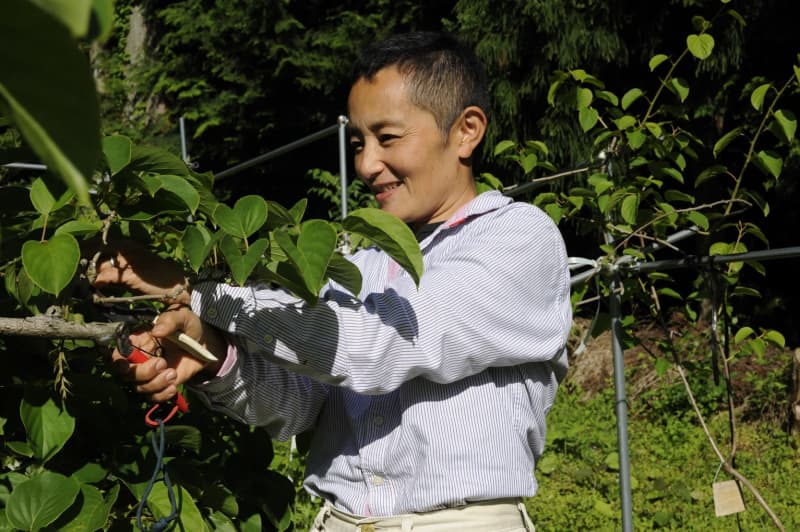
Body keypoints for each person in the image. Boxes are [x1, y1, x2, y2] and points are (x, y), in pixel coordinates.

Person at [94, 31, 572, 531]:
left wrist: (196, 291)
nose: (366, 164)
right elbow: (301, 403)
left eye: (388, 138)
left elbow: (385, 343)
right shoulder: (361, 264)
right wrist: (212, 351)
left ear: (466, 131)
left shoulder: (518, 239)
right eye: (359, 143)